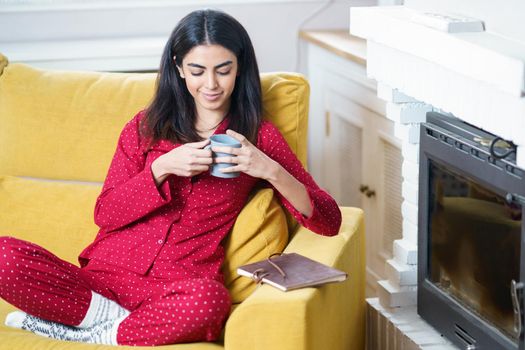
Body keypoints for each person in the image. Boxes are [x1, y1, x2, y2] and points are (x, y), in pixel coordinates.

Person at [0, 8, 342, 347]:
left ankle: (97, 331)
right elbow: (105, 213)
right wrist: (160, 169)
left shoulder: (259, 137)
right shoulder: (145, 126)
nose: (211, 84)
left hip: (175, 289)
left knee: (211, 301)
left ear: (240, 68)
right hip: (103, 279)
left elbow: (328, 220)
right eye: (197, 70)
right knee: (4, 255)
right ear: (178, 67)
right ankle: (112, 325)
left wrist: (268, 169)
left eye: (223, 70)